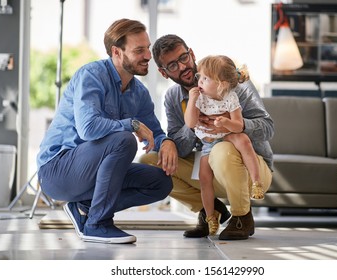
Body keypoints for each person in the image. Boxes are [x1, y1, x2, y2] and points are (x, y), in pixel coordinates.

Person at [36, 19, 174, 244]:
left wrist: (166, 141)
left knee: (161, 183)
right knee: (124, 140)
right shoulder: (91, 75)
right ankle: (96, 224)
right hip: (57, 170)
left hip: (93, 173)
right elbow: (88, 128)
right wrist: (131, 124)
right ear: (116, 52)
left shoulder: (139, 92)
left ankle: (86, 207)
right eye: (139, 50)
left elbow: (155, 132)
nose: (148, 55)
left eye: (147, 48)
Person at [139, 34, 274, 240]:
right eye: (172, 66)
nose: (183, 67)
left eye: (183, 58)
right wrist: (192, 124)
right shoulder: (173, 98)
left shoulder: (230, 81)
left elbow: (268, 128)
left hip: (250, 165)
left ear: (191, 54)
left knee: (222, 149)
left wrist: (233, 124)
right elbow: (181, 150)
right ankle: (210, 211)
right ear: (163, 73)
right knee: (150, 162)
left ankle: (242, 216)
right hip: (209, 165)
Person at [184, 55, 264, 235]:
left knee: (243, 140)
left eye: (205, 78)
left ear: (221, 84)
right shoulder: (199, 97)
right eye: (200, 77)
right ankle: (211, 216)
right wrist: (191, 101)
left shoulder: (231, 97)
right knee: (204, 179)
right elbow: (190, 123)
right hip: (207, 144)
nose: (200, 81)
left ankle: (256, 182)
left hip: (227, 137)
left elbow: (238, 125)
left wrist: (225, 123)